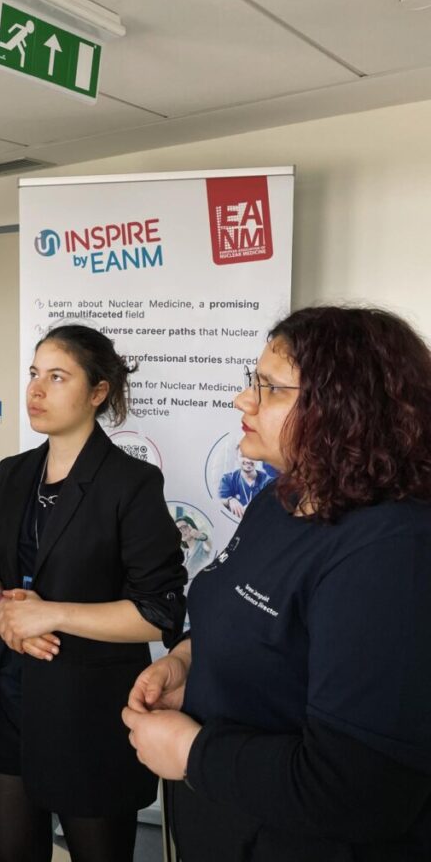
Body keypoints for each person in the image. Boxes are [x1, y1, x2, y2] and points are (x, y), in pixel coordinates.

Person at [123, 306, 431, 861]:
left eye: (270, 388)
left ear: (346, 408)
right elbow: (251, 620)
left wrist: (192, 752)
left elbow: (360, 789)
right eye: (253, 381)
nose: (244, 400)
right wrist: (190, 661)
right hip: (223, 824)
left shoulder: (390, 551)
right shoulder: (280, 498)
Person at [0, 324, 186, 862]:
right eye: (34, 374)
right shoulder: (12, 474)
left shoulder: (131, 484)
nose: (36, 390)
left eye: (57, 377)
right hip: (8, 697)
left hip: (89, 710)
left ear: (98, 392)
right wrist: (2, 610)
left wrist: (51, 615)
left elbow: (160, 611)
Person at [218, 450, 272, 519]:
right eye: (243, 456)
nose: (248, 460)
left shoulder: (269, 482)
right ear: (236, 457)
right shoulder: (228, 479)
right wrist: (229, 500)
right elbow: (219, 504)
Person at [175, 516, 213, 581]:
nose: (181, 531)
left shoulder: (202, 545)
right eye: (178, 529)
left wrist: (200, 536)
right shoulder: (184, 553)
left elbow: (212, 546)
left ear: (191, 527)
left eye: (184, 527)